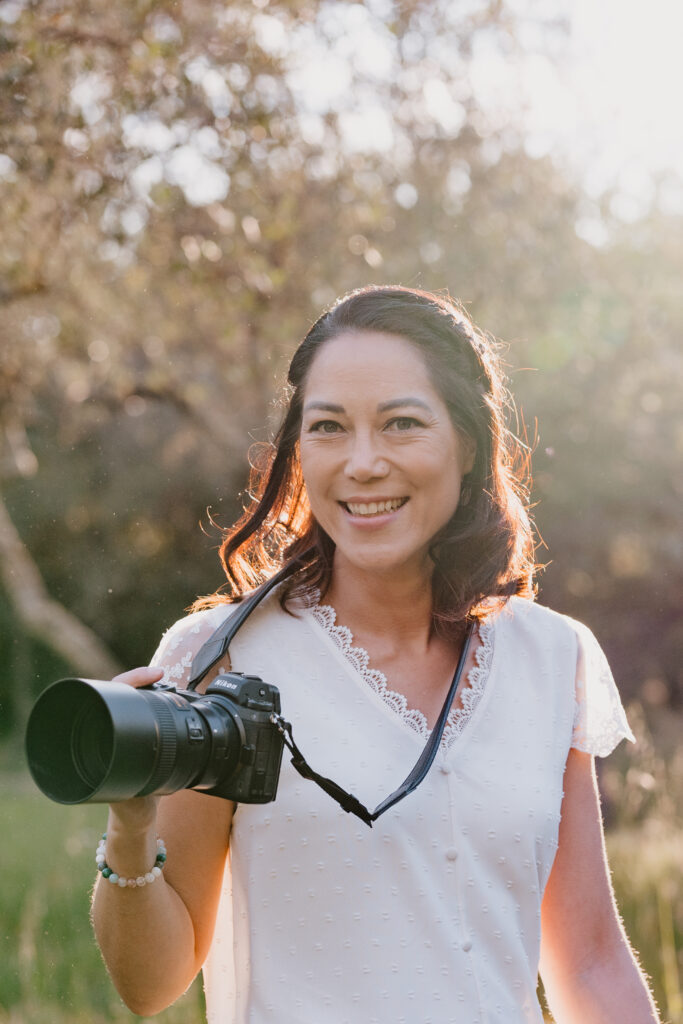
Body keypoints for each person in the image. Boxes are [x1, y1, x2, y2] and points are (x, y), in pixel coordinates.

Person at [91, 285, 660, 1023]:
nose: (362, 463)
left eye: (400, 424)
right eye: (328, 428)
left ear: (466, 443)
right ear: (300, 451)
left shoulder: (552, 657)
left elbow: (587, 960)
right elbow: (150, 984)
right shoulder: (218, 660)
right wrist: (131, 831)